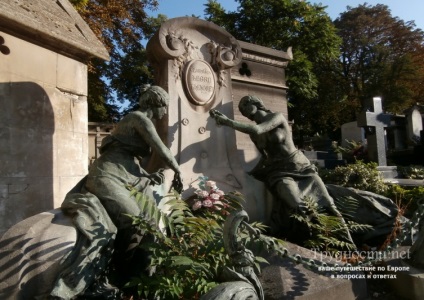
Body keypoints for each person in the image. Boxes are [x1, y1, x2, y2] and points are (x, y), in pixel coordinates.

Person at [210, 95, 397, 246]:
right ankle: (319, 241)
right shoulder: (252, 134)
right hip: (279, 173)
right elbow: (265, 157)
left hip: (300, 166)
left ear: (255, 103)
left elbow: (259, 129)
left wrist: (228, 122)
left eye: (245, 105)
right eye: (241, 110)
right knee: (298, 205)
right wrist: (248, 175)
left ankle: (347, 246)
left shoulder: (276, 118)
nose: (244, 111)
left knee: (328, 205)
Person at [51, 85, 182, 298]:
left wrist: (147, 176)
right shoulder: (138, 118)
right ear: (155, 103)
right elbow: (161, 149)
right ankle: (112, 272)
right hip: (106, 175)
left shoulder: (140, 121)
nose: (165, 112)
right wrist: (177, 170)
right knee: (133, 220)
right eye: (164, 107)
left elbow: (131, 159)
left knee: (149, 226)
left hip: (127, 175)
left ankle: (135, 278)